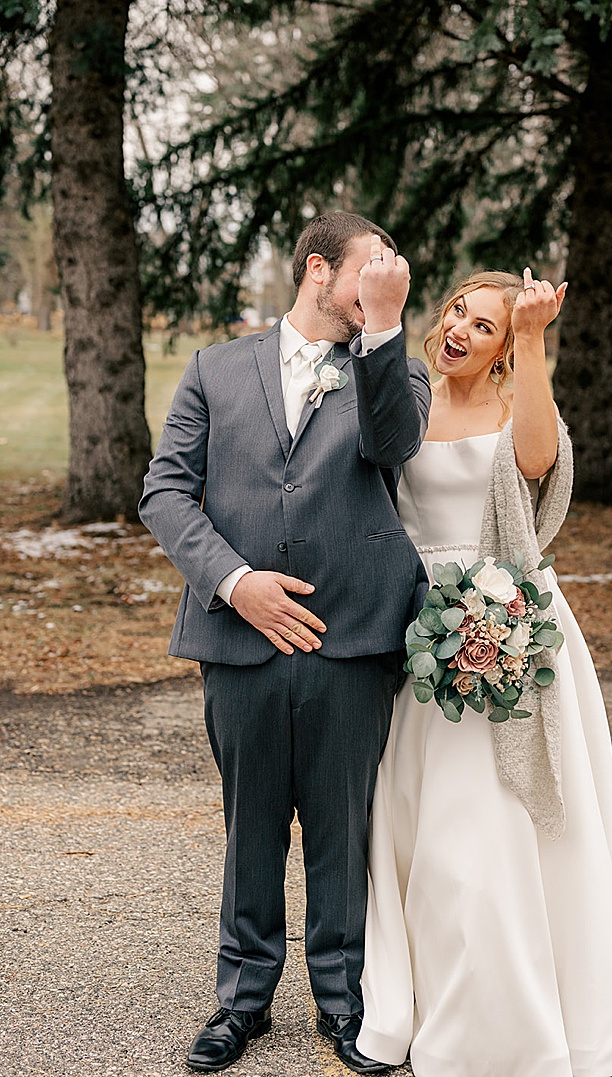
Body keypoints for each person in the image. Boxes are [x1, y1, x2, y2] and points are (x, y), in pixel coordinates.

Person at [356, 269, 612, 1077]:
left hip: (514, 626)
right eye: (458, 311)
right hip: (423, 635)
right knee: (429, 826)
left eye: (487, 326)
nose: (461, 329)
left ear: (505, 348)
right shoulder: (409, 402)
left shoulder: (513, 402)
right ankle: (437, 995)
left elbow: (540, 461)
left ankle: (528, 1013)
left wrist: (535, 340)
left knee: (507, 820)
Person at [139, 212, 431, 1074]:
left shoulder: (396, 369)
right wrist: (237, 583)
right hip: (241, 637)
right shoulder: (214, 368)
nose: (384, 284)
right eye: (369, 272)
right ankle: (242, 1000)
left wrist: (383, 323)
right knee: (251, 825)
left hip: (351, 639)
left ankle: (345, 1004)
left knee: (344, 829)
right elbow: (165, 492)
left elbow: (392, 445)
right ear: (317, 269)